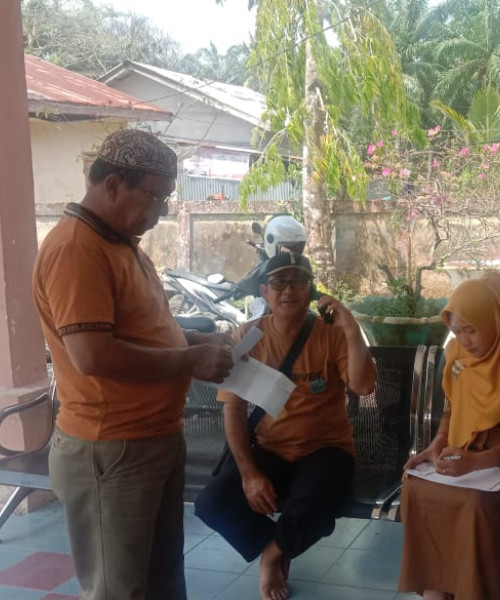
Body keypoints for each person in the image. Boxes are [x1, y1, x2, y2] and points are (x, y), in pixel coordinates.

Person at [33, 128, 234, 600]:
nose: (160, 213)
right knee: (119, 590)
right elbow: (92, 354)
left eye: (166, 200)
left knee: (162, 581)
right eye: (155, 197)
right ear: (112, 184)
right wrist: (188, 360)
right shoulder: (77, 249)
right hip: (111, 449)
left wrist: (192, 339)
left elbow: (136, 330)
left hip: (150, 439)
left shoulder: (120, 244)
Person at [194, 252, 377, 600]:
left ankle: (272, 556)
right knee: (212, 503)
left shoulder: (331, 334)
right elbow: (233, 409)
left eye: (298, 281)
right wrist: (249, 474)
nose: (288, 290)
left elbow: (364, 386)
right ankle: (279, 544)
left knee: (318, 499)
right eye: (279, 282)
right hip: (270, 448)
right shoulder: (248, 337)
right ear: (264, 291)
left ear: (311, 291)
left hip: (326, 449)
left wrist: (352, 330)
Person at [398, 272, 500, 600]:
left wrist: (479, 462)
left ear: (494, 319)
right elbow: (452, 409)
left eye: (471, 330)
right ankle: (435, 592)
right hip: (466, 454)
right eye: (457, 331)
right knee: (416, 487)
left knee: (475, 504)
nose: (464, 340)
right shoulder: (459, 352)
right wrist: (436, 445)